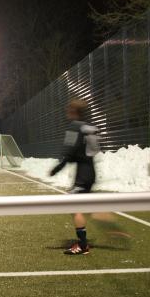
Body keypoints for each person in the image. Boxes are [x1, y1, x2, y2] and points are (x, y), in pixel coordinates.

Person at [49, 99, 101, 255]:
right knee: (81, 205)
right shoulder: (91, 128)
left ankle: (83, 245)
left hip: (83, 174)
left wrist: (57, 168)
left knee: (74, 206)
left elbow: (68, 152)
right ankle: (106, 223)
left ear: (73, 112)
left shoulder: (74, 127)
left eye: (69, 110)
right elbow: (93, 150)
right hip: (91, 170)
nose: (67, 113)